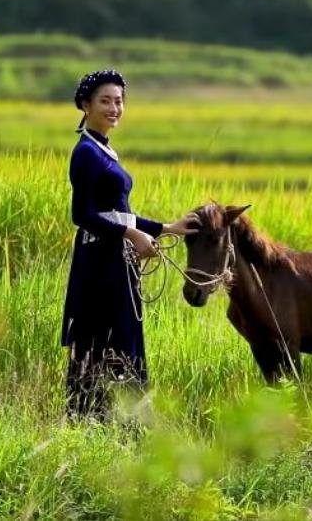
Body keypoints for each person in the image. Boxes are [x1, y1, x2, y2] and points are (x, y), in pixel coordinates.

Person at [60, 69, 196, 418]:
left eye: (119, 101)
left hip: (116, 261)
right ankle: (92, 417)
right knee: (102, 335)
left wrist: (167, 228)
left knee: (122, 334)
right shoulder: (86, 153)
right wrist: (133, 236)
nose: (114, 108)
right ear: (85, 105)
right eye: (105, 101)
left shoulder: (104, 150)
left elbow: (120, 213)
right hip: (98, 264)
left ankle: (123, 420)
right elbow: (83, 215)